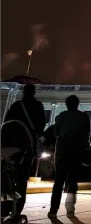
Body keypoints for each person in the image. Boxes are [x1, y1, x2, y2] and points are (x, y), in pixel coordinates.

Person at [4, 84, 46, 216]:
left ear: (23, 92)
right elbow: (41, 125)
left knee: (7, 173)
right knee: (22, 177)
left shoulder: (16, 105)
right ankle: (18, 208)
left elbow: (6, 122)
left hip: (10, 145)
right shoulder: (37, 106)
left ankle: (5, 203)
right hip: (28, 144)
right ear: (34, 92)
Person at [48, 95, 90, 219]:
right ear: (78, 104)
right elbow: (86, 135)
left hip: (62, 152)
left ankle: (53, 210)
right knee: (73, 181)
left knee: (58, 181)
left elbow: (56, 133)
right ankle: (70, 209)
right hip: (77, 152)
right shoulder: (83, 117)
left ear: (66, 104)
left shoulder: (61, 116)